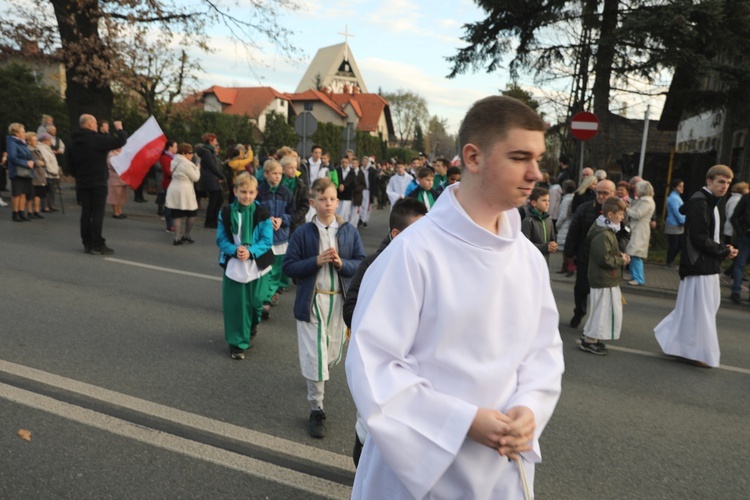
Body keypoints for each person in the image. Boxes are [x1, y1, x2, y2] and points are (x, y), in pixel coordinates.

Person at [345, 96, 564, 498]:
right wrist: (464, 422)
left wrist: (529, 409)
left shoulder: (527, 259)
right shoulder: (413, 252)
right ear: (473, 157)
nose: (536, 173)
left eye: (538, 158)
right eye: (519, 157)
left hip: (501, 469)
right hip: (420, 473)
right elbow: (373, 366)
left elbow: (543, 353)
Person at [282, 177, 366, 439]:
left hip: (338, 301)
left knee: (330, 356)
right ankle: (316, 407)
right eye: (321, 199)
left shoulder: (349, 231)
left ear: (337, 202)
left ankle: (317, 374)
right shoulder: (303, 233)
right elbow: (288, 266)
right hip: (312, 300)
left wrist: (343, 264)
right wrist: (315, 261)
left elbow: (361, 263)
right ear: (312, 202)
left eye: (331, 199)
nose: (327, 203)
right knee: (316, 356)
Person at [654, 165, 738, 368]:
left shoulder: (708, 202)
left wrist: (723, 248)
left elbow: (707, 237)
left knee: (695, 311)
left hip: (703, 265)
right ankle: (695, 353)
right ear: (709, 182)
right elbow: (699, 239)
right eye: (721, 182)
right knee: (700, 312)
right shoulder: (701, 203)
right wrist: (724, 251)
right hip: (699, 266)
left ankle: (682, 348)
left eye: (727, 183)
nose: (725, 186)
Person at [217, 172, 275, 360]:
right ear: (235, 191)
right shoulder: (226, 212)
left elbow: (267, 240)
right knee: (236, 306)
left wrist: (251, 252)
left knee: (256, 303)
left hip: (258, 266)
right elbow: (221, 239)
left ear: (256, 193)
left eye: (251, 192)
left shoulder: (263, 213)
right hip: (235, 264)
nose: (247, 196)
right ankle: (237, 344)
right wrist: (235, 250)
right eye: (243, 192)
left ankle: (252, 324)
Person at [565, 179, 630, 328]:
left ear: (613, 193)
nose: (600, 196)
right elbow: (574, 231)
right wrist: (570, 253)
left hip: (607, 260)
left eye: (605, 193)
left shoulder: (621, 211)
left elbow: (626, 233)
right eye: (598, 192)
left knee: (602, 294)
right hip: (585, 257)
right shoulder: (584, 208)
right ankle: (579, 313)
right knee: (581, 289)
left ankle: (597, 323)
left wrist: (616, 250)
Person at [69, 115, 127, 254]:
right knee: (97, 213)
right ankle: (97, 243)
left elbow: (70, 164)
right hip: (98, 182)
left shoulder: (73, 142)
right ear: (89, 124)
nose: (96, 125)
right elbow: (120, 141)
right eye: (95, 123)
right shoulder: (97, 139)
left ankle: (87, 242)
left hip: (82, 181)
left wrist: (79, 175)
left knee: (86, 212)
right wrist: (119, 129)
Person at [580, 197, 631, 355]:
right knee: (601, 311)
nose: (622, 217)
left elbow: (607, 254)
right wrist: (620, 260)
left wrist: (618, 255)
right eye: (620, 214)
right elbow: (603, 259)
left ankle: (593, 338)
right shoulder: (603, 234)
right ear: (610, 214)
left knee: (603, 311)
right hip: (602, 279)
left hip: (606, 278)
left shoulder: (607, 230)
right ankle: (589, 340)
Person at [257, 159, 294, 317]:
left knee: (277, 270)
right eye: (274, 173)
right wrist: (266, 218)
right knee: (265, 269)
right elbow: (254, 210)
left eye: (280, 173)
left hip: (280, 237)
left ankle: (267, 298)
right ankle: (263, 297)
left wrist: (282, 220)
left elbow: (292, 213)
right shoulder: (259, 191)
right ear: (266, 174)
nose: (278, 176)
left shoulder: (286, 192)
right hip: (263, 238)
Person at [165, 143, 201, 245]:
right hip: (185, 190)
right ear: (184, 153)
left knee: (177, 214)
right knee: (192, 212)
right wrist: (197, 168)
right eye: (190, 153)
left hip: (174, 188)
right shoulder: (187, 164)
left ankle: (176, 237)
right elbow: (195, 178)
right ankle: (186, 234)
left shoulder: (175, 161)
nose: (191, 155)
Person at [625, 181, 656, 286]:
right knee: (633, 253)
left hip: (640, 229)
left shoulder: (646, 202)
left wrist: (625, 209)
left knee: (636, 253)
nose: (636, 190)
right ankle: (634, 276)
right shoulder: (643, 200)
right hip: (637, 228)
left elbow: (637, 214)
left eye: (637, 188)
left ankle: (638, 278)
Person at [195, 133, 225, 228]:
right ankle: (210, 221)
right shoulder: (207, 153)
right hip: (211, 179)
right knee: (215, 200)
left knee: (218, 199)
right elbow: (212, 167)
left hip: (212, 178)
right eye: (215, 141)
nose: (216, 143)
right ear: (211, 141)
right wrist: (221, 176)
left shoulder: (208, 151)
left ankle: (212, 220)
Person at [6, 123, 34, 222]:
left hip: (25, 172)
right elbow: (12, 158)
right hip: (17, 172)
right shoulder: (12, 143)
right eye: (22, 131)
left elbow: (29, 155)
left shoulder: (23, 143)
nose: (24, 133)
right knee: (17, 194)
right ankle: (15, 213)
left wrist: (31, 161)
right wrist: (26, 163)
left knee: (23, 193)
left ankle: (22, 212)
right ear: (16, 133)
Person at [521, 186, 558, 261]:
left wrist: (553, 245)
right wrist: (545, 248)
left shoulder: (548, 220)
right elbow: (524, 246)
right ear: (534, 203)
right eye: (544, 200)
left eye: (548, 200)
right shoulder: (528, 221)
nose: (547, 203)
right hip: (532, 263)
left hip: (545, 262)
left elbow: (552, 239)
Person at [730, 190, 750, 304]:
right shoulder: (746, 198)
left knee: (740, 264)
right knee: (740, 264)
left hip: (745, 236)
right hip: (746, 237)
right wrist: (741, 232)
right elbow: (734, 217)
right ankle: (736, 292)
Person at [556, 180, 577, 275]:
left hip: (565, 225)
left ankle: (567, 266)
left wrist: (557, 225)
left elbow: (563, 215)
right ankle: (568, 266)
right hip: (570, 224)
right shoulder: (573, 198)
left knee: (565, 248)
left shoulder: (566, 200)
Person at [37, 133, 61, 213]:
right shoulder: (42, 148)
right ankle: (45, 206)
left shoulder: (47, 148)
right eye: (49, 140)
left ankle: (51, 205)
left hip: (53, 172)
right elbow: (46, 161)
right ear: (44, 140)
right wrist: (53, 171)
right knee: (47, 190)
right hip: (48, 173)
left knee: (52, 190)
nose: (50, 142)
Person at [26, 132, 47, 219]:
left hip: (40, 175)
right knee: (31, 194)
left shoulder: (38, 150)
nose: (36, 142)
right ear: (29, 141)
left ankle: (36, 210)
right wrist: (38, 163)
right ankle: (29, 211)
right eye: (34, 140)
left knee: (38, 194)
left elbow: (43, 161)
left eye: (36, 140)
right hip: (32, 174)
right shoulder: (28, 150)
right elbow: (35, 162)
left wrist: (41, 163)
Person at [158, 140, 178, 232]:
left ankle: (173, 223)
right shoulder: (165, 158)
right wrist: (177, 173)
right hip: (168, 184)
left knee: (174, 205)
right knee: (169, 205)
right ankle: (169, 225)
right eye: (175, 146)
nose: (176, 148)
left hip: (176, 184)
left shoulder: (176, 157)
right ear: (170, 147)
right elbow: (167, 171)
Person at [106, 148, 128, 219]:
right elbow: (114, 166)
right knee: (115, 196)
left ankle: (119, 211)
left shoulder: (122, 153)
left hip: (122, 179)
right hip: (114, 178)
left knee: (120, 197)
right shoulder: (111, 155)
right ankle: (116, 212)